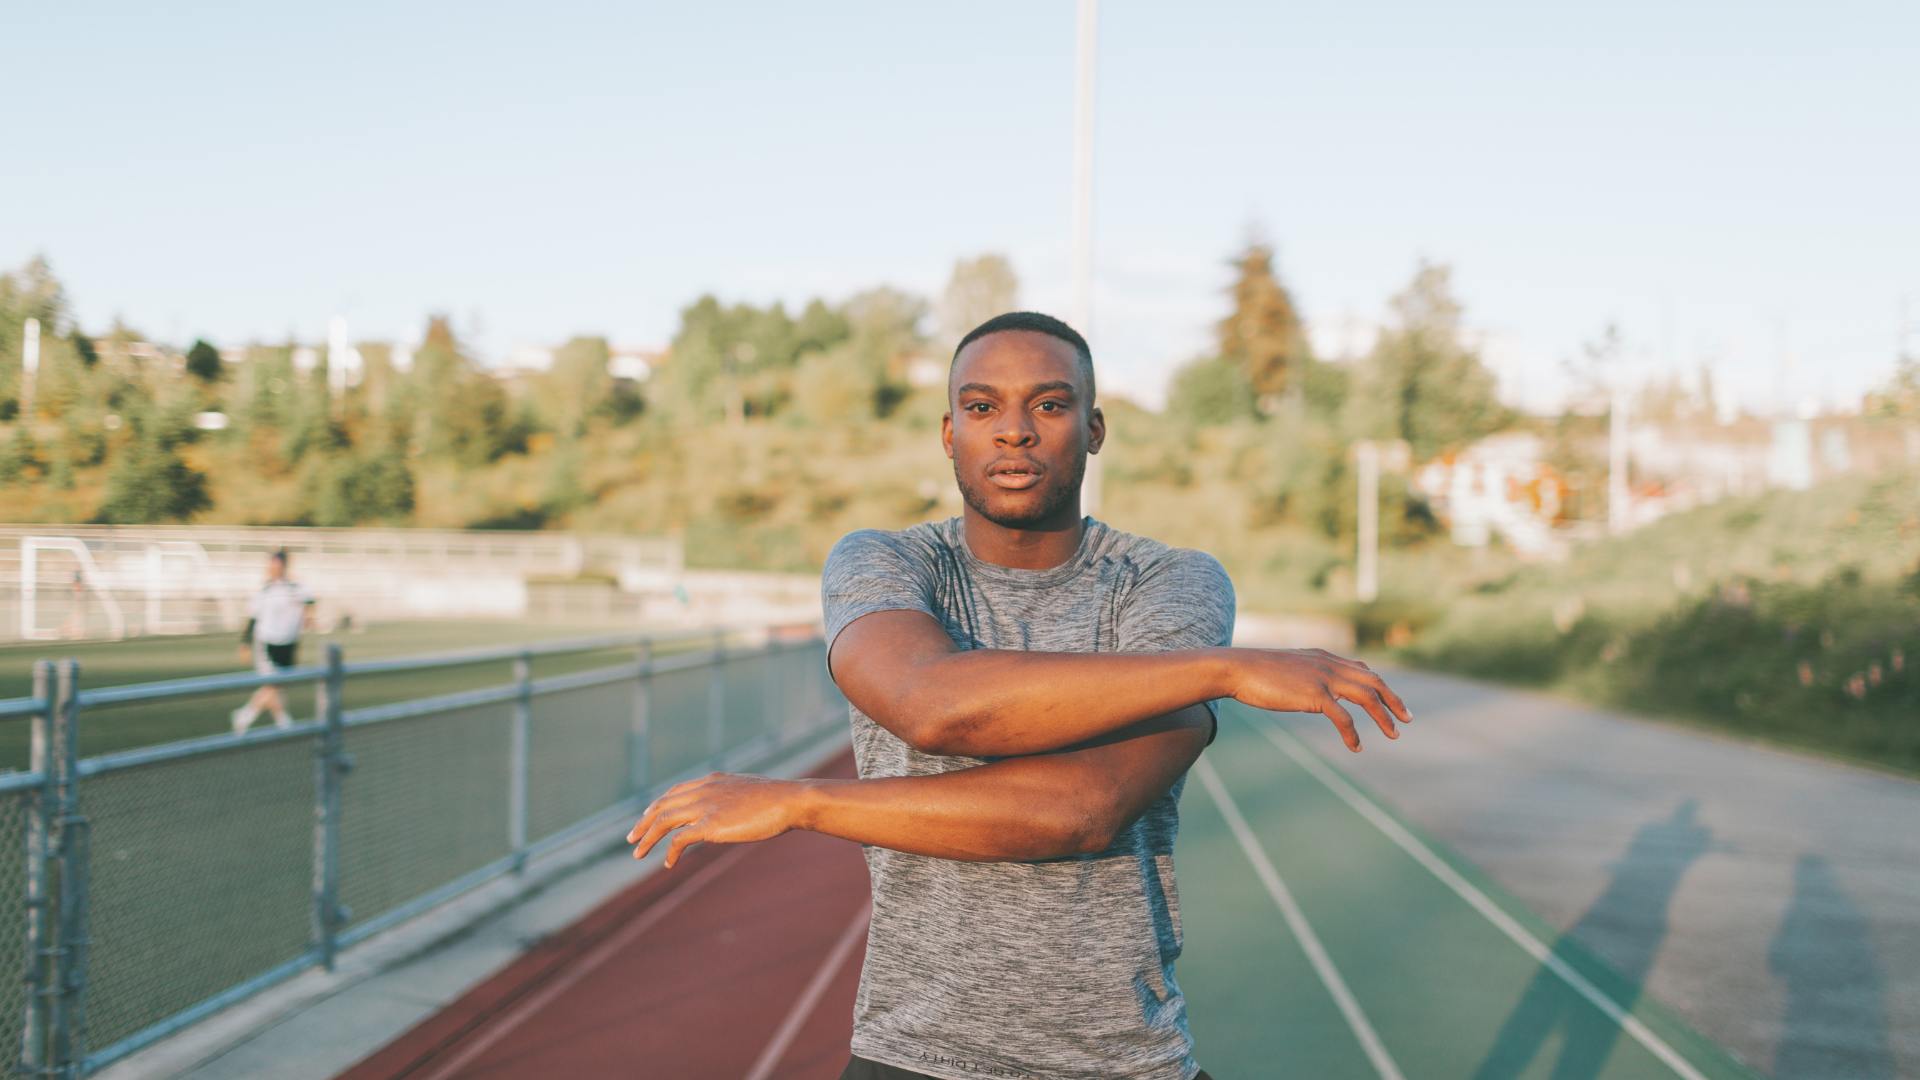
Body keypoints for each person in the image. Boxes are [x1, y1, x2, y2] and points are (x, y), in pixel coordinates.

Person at [627, 312, 1413, 1080]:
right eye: (981, 408)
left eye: (1048, 403)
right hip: (913, 1055)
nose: (1014, 430)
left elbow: (1082, 810)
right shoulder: (887, 564)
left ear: (1094, 428)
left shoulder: (1168, 583)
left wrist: (804, 803)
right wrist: (1222, 670)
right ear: (949, 434)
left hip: (1119, 1059)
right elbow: (929, 705)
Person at [231, 548, 315, 734]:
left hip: (289, 642)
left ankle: (278, 720)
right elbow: (253, 618)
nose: (273, 568)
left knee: (278, 684)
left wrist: (309, 617)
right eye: (271, 565)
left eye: (277, 565)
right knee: (272, 684)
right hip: (267, 642)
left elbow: (310, 602)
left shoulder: (296, 587)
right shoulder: (264, 590)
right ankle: (252, 717)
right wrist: (245, 643)